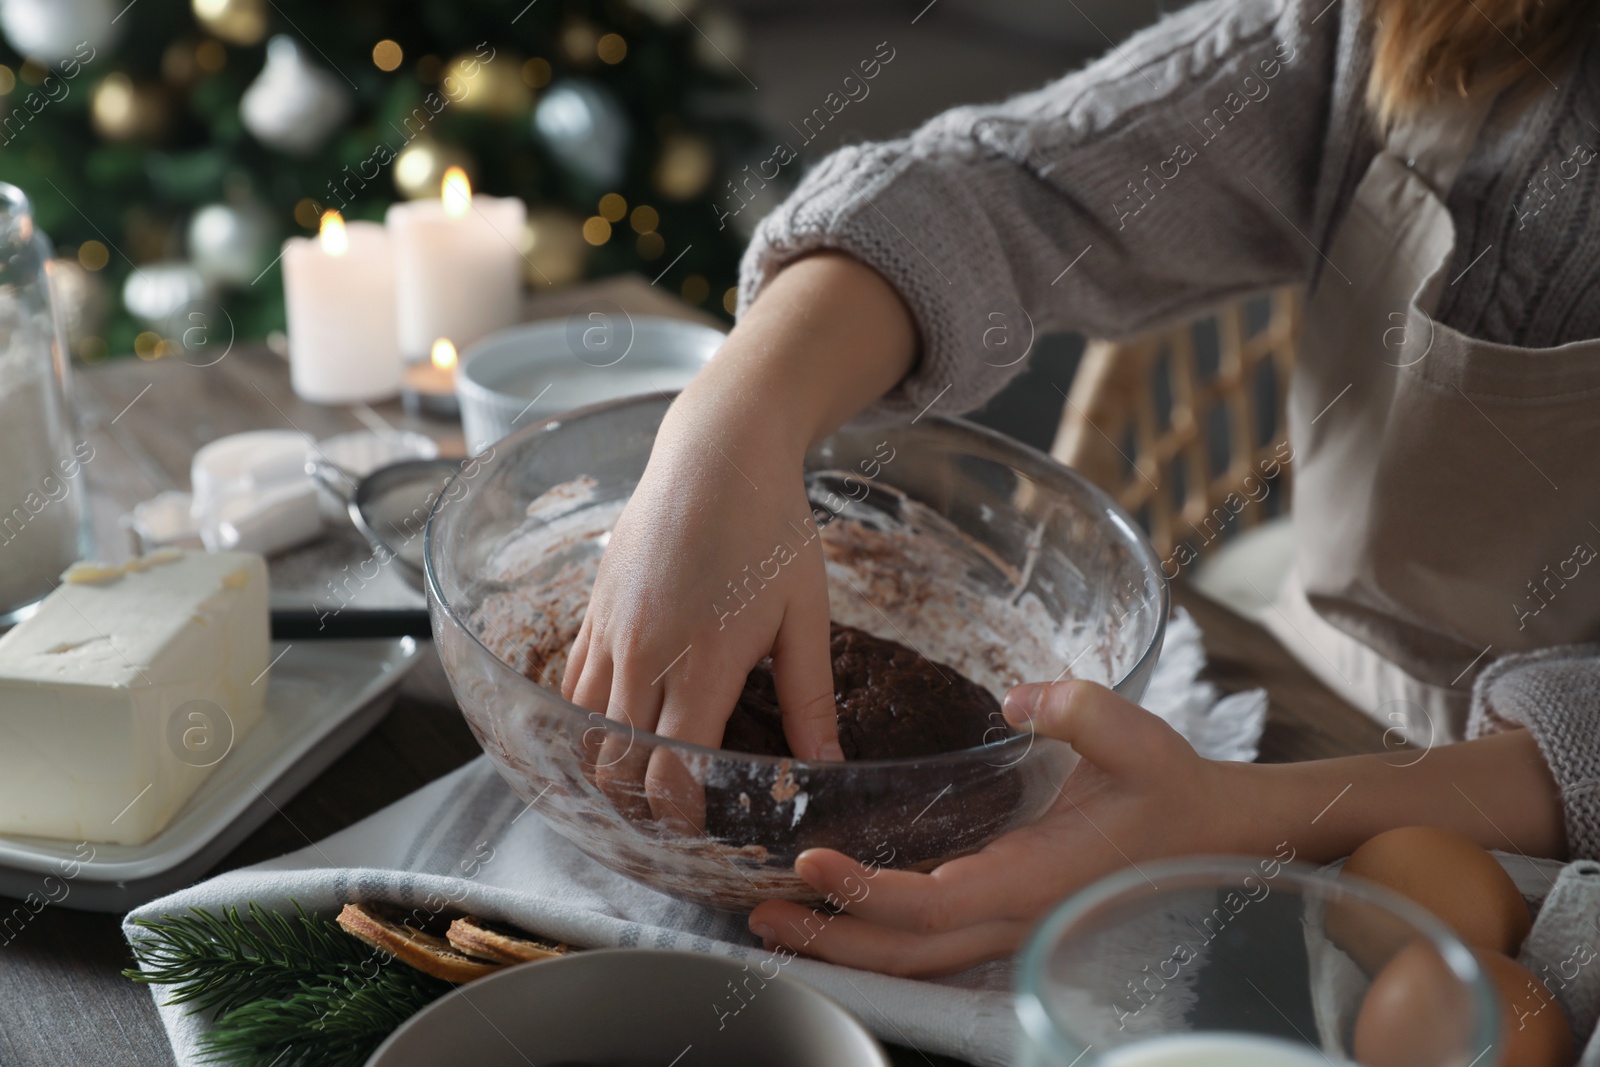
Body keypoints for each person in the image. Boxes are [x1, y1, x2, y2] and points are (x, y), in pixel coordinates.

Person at [563, 0, 1600, 978]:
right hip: (1304, 677)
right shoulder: (1396, 25)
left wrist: (1236, 815)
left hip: (1546, 860)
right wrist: (729, 424)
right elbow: (1008, 191)